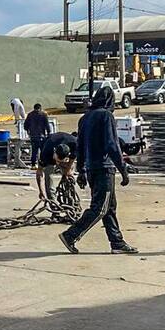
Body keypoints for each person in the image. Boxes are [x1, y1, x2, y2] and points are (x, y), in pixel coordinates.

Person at [60, 87, 137, 254]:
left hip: (91, 168)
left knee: (109, 207)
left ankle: (117, 242)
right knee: (100, 207)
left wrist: (81, 170)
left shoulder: (84, 118)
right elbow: (112, 144)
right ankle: (71, 235)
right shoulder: (105, 116)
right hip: (104, 168)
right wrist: (123, 170)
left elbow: (79, 146)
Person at [36, 131, 77, 202]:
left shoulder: (75, 145)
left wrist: (68, 170)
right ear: (54, 151)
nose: (58, 163)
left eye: (60, 161)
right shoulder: (46, 152)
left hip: (68, 148)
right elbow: (39, 172)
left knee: (69, 175)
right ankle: (53, 203)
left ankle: (70, 198)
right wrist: (41, 191)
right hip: (49, 149)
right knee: (49, 177)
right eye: (57, 160)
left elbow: (72, 159)